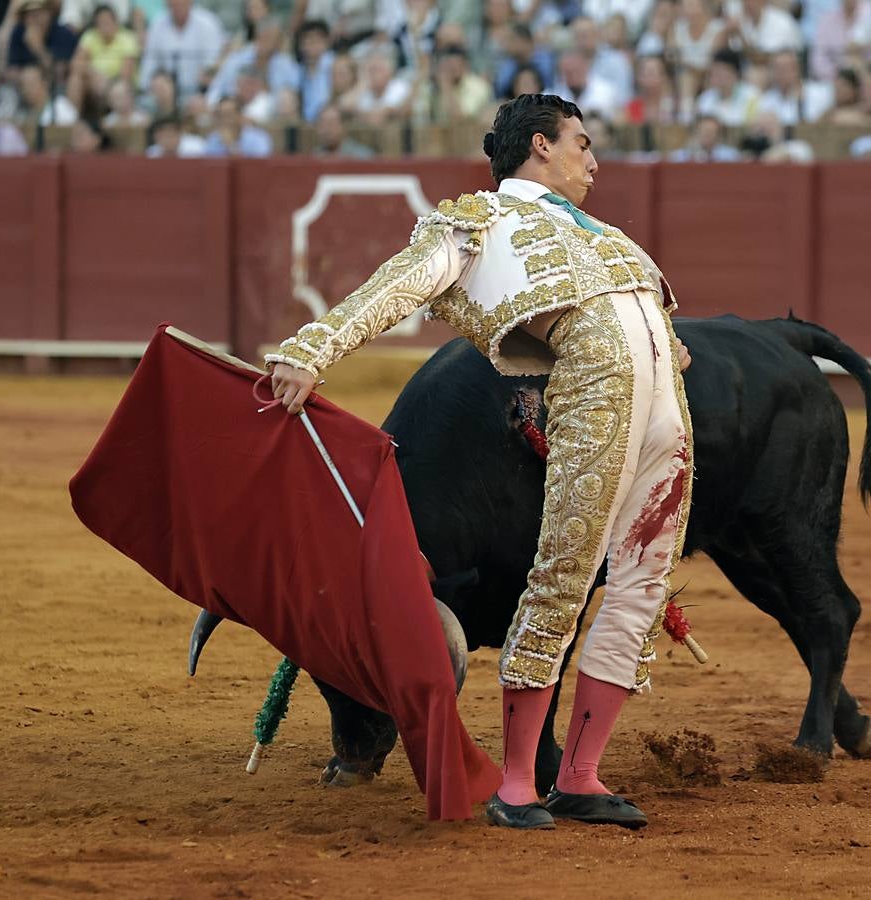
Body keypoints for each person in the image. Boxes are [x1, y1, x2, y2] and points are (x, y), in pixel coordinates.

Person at [267, 93, 694, 831]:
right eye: (582, 144)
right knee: (560, 579)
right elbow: (399, 284)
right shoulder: (478, 220)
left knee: (637, 589)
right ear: (539, 146)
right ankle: (520, 786)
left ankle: (581, 775)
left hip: (666, 416)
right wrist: (313, 349)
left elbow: (658, 331)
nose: (593, 160)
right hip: (594, 401)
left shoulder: (610, 236)